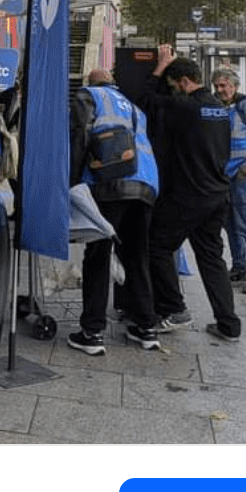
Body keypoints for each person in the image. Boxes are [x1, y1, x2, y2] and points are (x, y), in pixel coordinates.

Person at [142, 45, 241, 342]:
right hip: (217, 195)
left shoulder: (185, 107)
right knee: (212, 259)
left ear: (184, 82)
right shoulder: (220, 110)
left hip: (188, 196)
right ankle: (228, 324)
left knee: (157, 246)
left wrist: (160, 68)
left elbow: (145, 102)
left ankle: (175, 309)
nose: (173, 92)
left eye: (174, 86)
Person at [67, 67, 161, 355]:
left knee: (98, 257)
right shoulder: (133, 107)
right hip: (145, 186)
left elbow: (80, 135)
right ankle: (147, 328)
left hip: (108, 185)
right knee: (136, 257)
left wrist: (70, 181)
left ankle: (92, 332)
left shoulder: (89, 96)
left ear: (91, 83)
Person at [211, 66, 246, 295]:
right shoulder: (216, 106)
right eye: (217, 86)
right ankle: (239, 268)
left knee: (245, 223)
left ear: (234, 86)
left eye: (223, 86)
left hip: (242, 174)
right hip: (224, 174)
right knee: (230, 224)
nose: (220, 90)